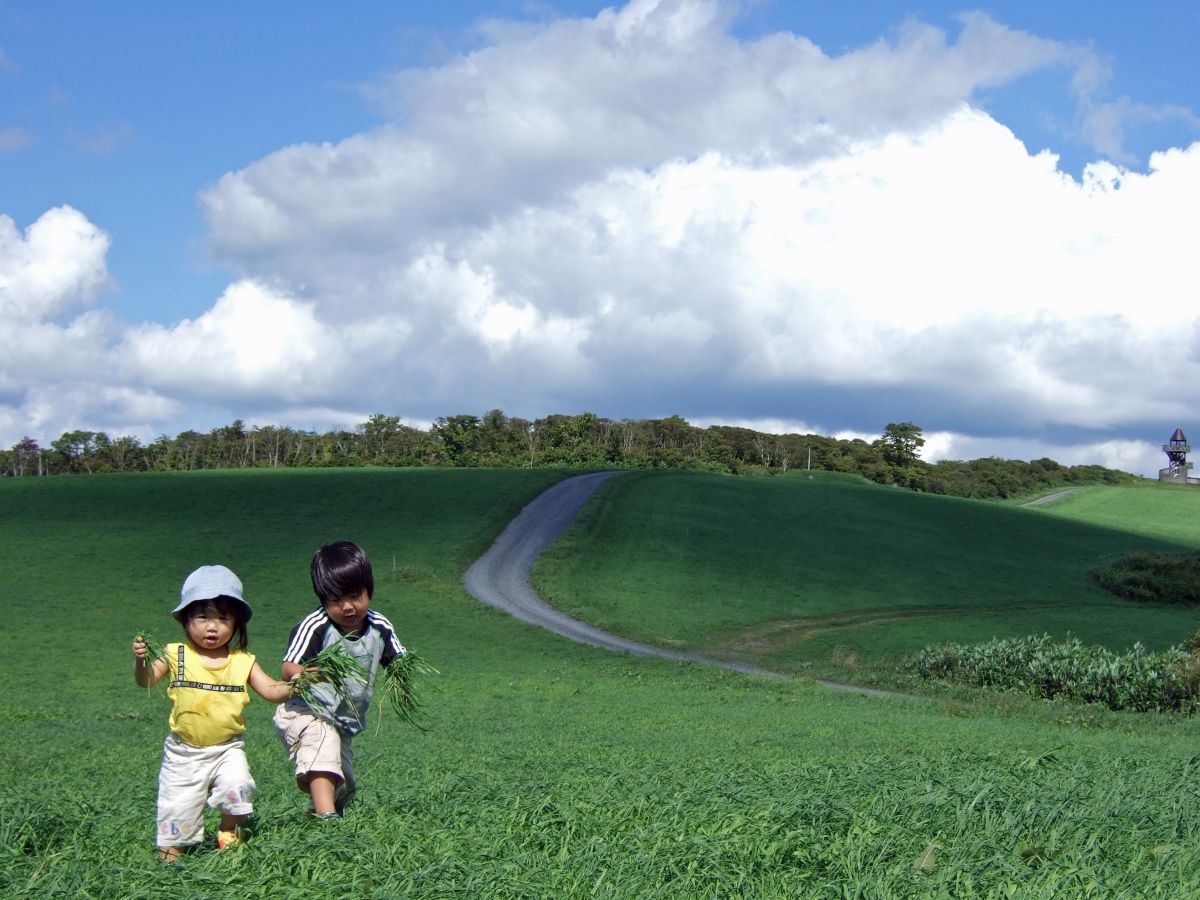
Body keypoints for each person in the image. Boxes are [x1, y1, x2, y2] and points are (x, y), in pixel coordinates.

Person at [133, 564, 297, 862]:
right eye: (203, 617)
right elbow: (146, 680)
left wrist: (297, 685)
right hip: (184, 753)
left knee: (238, 785)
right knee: (176, 810)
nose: (213, 626)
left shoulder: (243, 661)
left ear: (236, 624)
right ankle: (170, 861)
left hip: (227, 748)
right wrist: (142, 661)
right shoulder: (174, 654)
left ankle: (228, 831)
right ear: (186, 619)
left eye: (223, 618)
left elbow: (272, 691)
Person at [274, 540, 405, 819]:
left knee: (343, 784)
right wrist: (308, 674)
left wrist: (402, 675)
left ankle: (318, 812)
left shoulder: (379, 626)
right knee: (323, 747)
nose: (347, 607)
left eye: (355, 596)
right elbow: (288, 666)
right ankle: (326, 818)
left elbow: (397, 658)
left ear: (369, 590)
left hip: (343, 718)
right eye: (336, 601)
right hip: (307, 711)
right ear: (323, 600)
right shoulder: (316, 625)